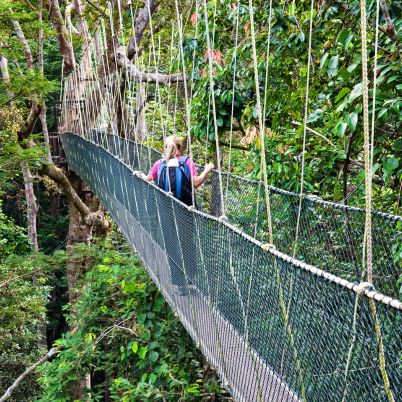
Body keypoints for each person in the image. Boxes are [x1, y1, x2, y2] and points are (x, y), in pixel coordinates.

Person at [137, 135, 214, 296]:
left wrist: (140, 175)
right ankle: (191, 279)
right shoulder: (187, 162)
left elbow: (148, 179)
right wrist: (207, 169)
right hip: (186, 209)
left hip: (165, 210)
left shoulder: (159, 164)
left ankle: (179, 284)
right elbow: (196, 182)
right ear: (181, 148)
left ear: (166, 148)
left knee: (171, 245)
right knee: (187, 243)